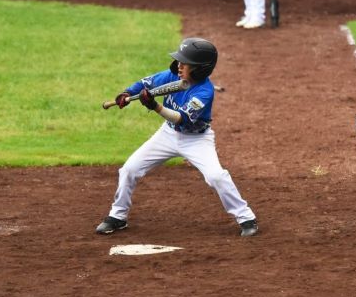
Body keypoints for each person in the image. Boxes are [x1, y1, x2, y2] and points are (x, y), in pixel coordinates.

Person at [96, 37, 259, 237]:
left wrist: (154, 106)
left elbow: (181, 118)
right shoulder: (172, 76)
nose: (179, 65)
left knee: (216, 176)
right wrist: (127, 93)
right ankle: (117, 216)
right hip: (168, 134)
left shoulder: (204, 92)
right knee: (129, 169)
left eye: (185, 63)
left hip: (196, 140)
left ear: (200, 68)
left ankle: (246, 217)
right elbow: (145, 83)